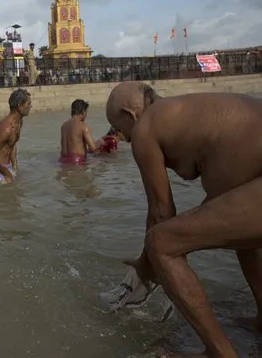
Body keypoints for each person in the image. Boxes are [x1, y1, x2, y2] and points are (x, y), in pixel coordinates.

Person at [106, 81, 262, 358]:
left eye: (120, 129)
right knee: (239, 237)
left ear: (130, 114)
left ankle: (219, 353)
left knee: (161, 242)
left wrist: (146, 265)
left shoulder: (145, 128)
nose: (122, 138)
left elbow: (161, 213)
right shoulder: (185, 110)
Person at [0, 89, 32, 185]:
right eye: (28, 104)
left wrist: (15, 166)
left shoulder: (19, 122)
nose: (31, 106)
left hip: (5, 167)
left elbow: (12, 144)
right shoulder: (6, 128)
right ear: (19, 106)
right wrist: (7, 173)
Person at [59, 99, 98, 164]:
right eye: (86, 112)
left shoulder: (64, 126)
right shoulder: (83, 126)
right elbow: (93, 148)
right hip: (77, 161)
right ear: (83, 111)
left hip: (63, 160)